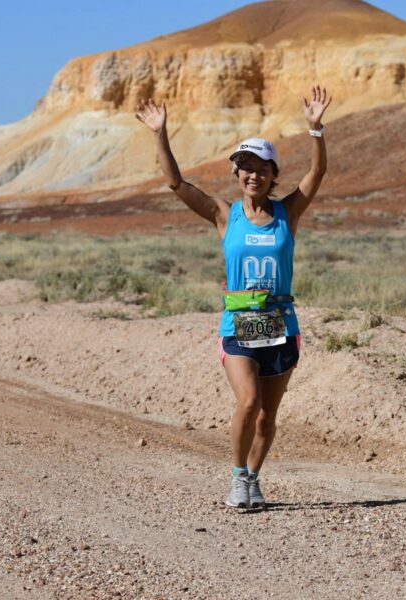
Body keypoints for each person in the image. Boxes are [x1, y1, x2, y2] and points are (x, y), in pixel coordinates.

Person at [135, 85, 331, 508]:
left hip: (280, 323)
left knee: (266, 418)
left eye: (261, 168)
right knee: (248, 401)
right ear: (237, 174)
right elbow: (174, 183)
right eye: (245, 168)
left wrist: (315, 130)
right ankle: (238, 476)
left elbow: (316, 176)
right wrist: (159, 133)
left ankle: (255, 478)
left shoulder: (287, 213)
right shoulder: (224, 215)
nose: (253, 175)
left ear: (272, 173)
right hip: (238, 323)